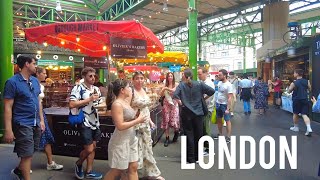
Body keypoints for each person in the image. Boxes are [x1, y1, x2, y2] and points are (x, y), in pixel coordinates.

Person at [3, 54, 45, 180]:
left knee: (31, 151)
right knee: (26, 154)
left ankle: (19, 170)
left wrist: (42, 120)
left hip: (35, 122)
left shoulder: (35, 81)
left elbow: (38, 101)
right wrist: (8, 130)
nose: (35, 66)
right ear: (26, 64)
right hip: (22, 122)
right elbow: (7, 107)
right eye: (34, 63)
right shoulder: (12, 82)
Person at [104, 79, 147, 180]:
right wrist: (137, 121)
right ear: (122, 90)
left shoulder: (125, 102)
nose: (130, 89)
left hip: (130, 139)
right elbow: (120, 126)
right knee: (116, 171)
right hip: (120, 142)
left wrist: (136, 118)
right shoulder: (117, 104)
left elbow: (126, 119)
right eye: (128, 87)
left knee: (133, 167)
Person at [173, 68, 215, 163]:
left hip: (186, 113)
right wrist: (203, 98)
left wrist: (180, 102)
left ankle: (190, 158)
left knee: (189, 135)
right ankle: (198, 157)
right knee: (198, 135)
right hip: (198, 114)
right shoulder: (199, 84)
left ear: (185, 76)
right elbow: (212, 91)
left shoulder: (181, 85)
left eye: (183, 74)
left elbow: (175, 95)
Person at [69, 67, 103, 179]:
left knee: (93, 146)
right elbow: (72, 104)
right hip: (84, 120)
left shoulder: (96, 89)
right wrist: (89, 99)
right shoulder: (78, 88)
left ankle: (89, 171)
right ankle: (79, 163)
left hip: (95, 120)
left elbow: (98, 104)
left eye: (94, 76)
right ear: (84, 76)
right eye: (90, 76)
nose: (93, 78)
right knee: (88, 148)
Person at [130, 71, 165, 180]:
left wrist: (150, 120)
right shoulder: (130, 92)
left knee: (147, 147)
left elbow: (146, 108)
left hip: (145, 123)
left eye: (141, 78)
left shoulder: (144, 91)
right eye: (137, 78)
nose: (140, 80)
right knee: (136, 149)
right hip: (135, 124)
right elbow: (127, 107)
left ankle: (151, 172)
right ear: (133, 80)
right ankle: (130, 173)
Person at [35, 67, 63, 171]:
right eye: (44, 73)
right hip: (34, 114)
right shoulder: (31, 84)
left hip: (40, 113)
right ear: (37, 74)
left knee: (46, 137)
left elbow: (41, 102)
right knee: (32, 139)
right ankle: (23, 165)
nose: (46, 75)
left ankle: (50, 162)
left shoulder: (41, 86)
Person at [287, 69, 313, 136]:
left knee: (295, 113)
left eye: (294, 73)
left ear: (297, 74)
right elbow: (310, 89)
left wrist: (290, 90)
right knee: (304, 114)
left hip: (297, 100)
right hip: (304, 99)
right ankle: (309, 128)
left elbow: (289, 91)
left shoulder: (294, 83)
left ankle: (296, 127)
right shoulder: (307, 81)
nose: (293, 74)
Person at [160, 72, 180, 147]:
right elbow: (161, 94)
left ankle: (176, 132)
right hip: (166, 104)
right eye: (169, 76)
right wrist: (163, 89)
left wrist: (166, 88)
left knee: (174, 120)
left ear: (173, 77)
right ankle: (167, 138)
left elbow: (174, 91)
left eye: (171, 76)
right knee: (166, 120)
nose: (170, 77)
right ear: (167, 77)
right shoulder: (165, 85)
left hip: (174, 104)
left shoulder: (177, 84)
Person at [214, 69, 233, 143]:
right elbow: (218, 93)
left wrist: (228, 108)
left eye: (220, 75)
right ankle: (220, 134)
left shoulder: (228, 85)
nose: (218, 76)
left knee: (227, 120)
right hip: (218, 104)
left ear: (224, 76)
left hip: (225, 105)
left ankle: (228, 136)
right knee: (219, 120)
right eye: (218, 75)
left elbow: (230, 97)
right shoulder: (219, 83)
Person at [197, 67, 215, 138]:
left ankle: (207, 146)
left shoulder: (209, 83)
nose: (199, 76)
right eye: (198, 74)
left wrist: (202, 99)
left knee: (206, 127)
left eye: (200, 74)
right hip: (203, 107)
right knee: (203, 127)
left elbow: (211, 93)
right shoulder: (201, 82)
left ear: (205, 74)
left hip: (207, 108)